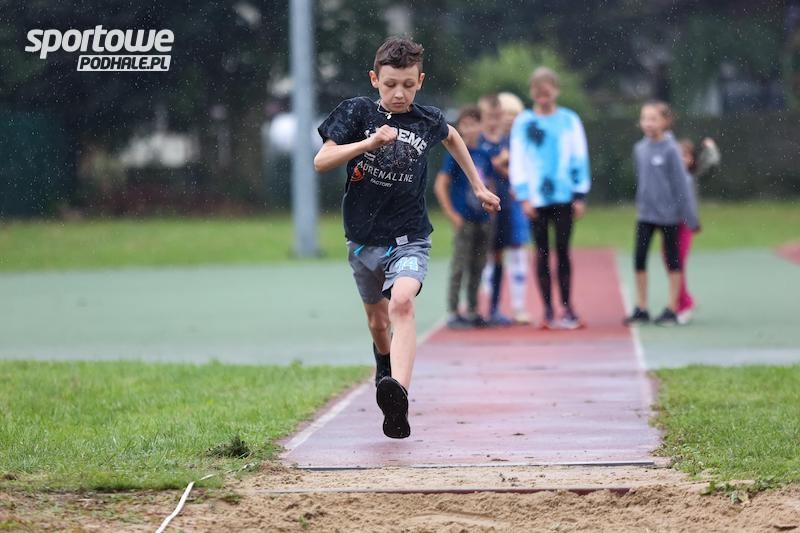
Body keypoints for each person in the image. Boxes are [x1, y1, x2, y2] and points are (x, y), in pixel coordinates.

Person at [314, 37, 500, 439]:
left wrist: (478, 185)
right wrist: (369, 143)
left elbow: (452, 137)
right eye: (390, 84)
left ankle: (398, 396)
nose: (399, 93)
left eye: (408, 85)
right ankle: (384, 365)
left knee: (401, 302)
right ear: (374, 79)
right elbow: (321, 160)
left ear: (420, 81)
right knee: (378, 322)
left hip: (409, 237)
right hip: (362, 240)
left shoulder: (426, 120)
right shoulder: (357, 112)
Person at [509, 67, 591, 330]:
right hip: (536, 199)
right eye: (537, 90)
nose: (542, 95)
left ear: (556, 90)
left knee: (563, 251)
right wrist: (524, 197)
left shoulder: (569, 120)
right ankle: (547, 309)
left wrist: (579, 194)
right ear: (531, 92)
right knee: (542, 252)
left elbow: (579, 155)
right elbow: (518, 159)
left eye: (547, 90)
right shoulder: (523, 122)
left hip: (564, 196)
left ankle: (567, 307)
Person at [624, 101, 700, 327]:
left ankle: (672, 308)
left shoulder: (671, 150)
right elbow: (642, 180)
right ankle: (642, 307)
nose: (648, 123)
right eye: (644, 119)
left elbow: (681, 186)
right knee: (639, 260)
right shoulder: (639, 149)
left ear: (665, 122)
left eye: (653, 119)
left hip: (669, 216)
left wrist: (690, 217)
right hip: (645, 215)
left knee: (673, 261)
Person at [434, 106, 493, 329]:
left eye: (474, 124)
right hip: (464, 218)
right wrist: (451, 214)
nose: (470, 129)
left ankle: (473, 309)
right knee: (460, 265)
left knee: (478, 266)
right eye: (465, 125)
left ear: (482, 126)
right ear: (459, 128)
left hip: (483, 219)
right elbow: (441, 185)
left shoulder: (484, 155)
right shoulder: (456, 154)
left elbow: (489, 183)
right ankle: (453, 311)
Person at [666, 137, 720, 324]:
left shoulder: (692, 175)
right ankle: (685, 299)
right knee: (670, 264)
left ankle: (684, 306)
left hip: (686, 224)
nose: (682, 159)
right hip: (667, 224)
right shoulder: (666, 174)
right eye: (678, 155)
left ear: (691, 159)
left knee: (677, 264)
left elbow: (711, 164)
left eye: (686, 155)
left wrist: (710, 148)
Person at [496, 92, 533, 324]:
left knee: (518, 252)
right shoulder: (490, 141)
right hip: (495, 204)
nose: (509, 118)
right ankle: (492, 306)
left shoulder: (523, 142)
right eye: (505, 113)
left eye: (514, 113)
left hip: (517, 204)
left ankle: (519, 306)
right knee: (493, 255)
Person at [478, 93, 514, 326]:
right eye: (489, 116)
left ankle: (494, 307)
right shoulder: (476, 142)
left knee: (499, 255)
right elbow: (476, 170)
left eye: (497, 116)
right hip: (479, 210)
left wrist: (501, 166)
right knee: (477, 257)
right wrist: (498, 162)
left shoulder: (508, 143)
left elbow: (515, 173)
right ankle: (473, 307)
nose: (494, 121)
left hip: (503, 207)